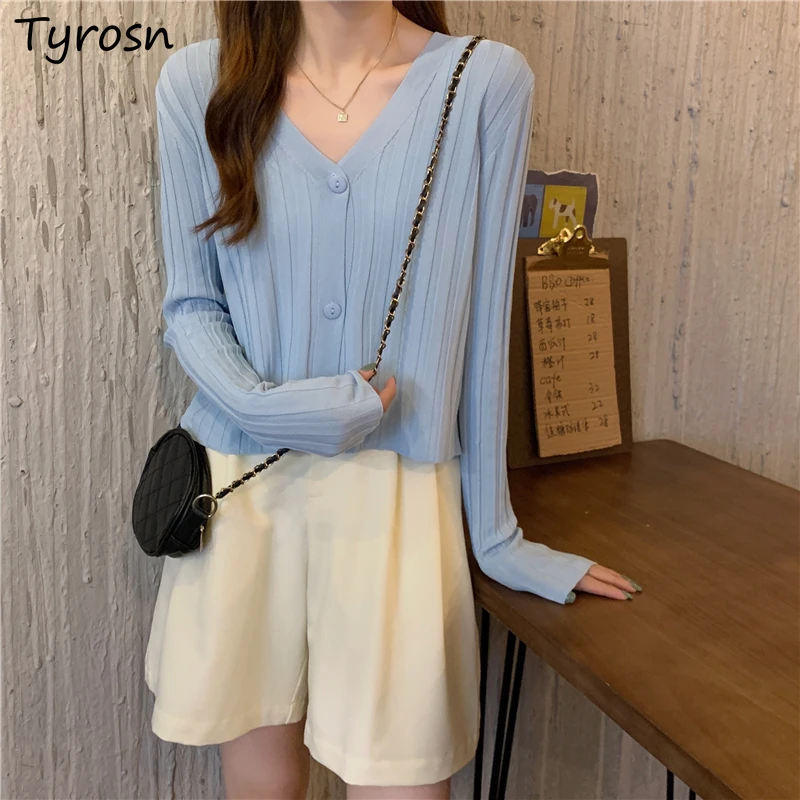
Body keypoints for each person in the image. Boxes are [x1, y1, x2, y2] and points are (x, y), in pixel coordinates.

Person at [144, 2, 642, 798]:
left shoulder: (481, 83)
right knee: (261, 782)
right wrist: (274, 409)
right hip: (242, 493)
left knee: (402, 778)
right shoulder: (201, 83)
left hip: (399, 501)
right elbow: (192, 305)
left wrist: (496, 536)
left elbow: (483, 332)